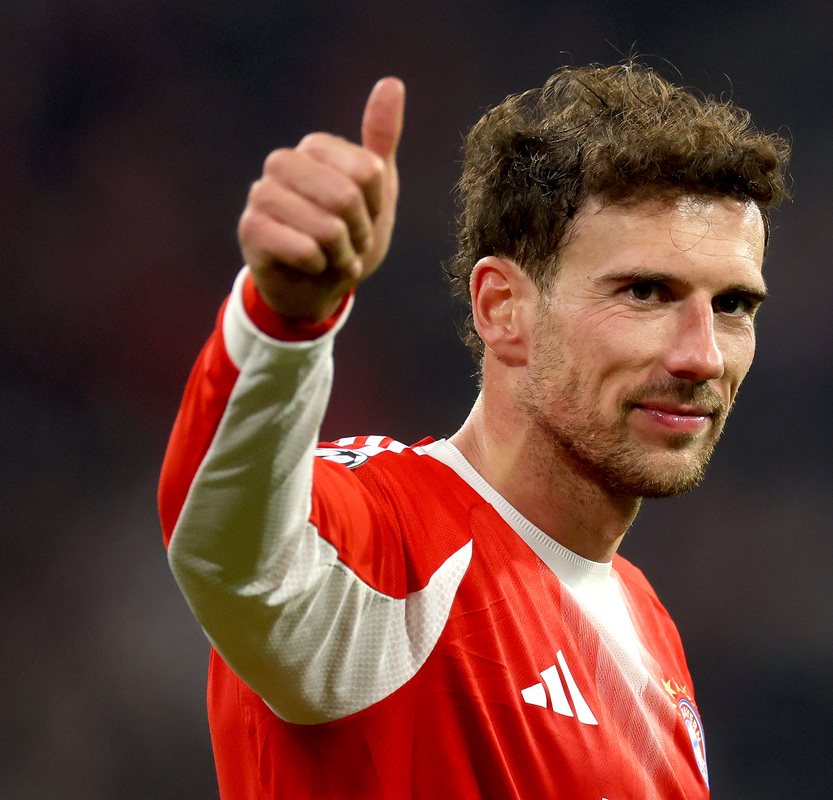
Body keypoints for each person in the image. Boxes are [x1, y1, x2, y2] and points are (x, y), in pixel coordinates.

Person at [159, 62, 789, 799]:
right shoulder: (394, 546)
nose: (702, 356)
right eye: (646, 292)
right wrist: (283, 319)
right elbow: (226, 549)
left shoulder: (646, 623)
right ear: (502, 308)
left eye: (733, 306)